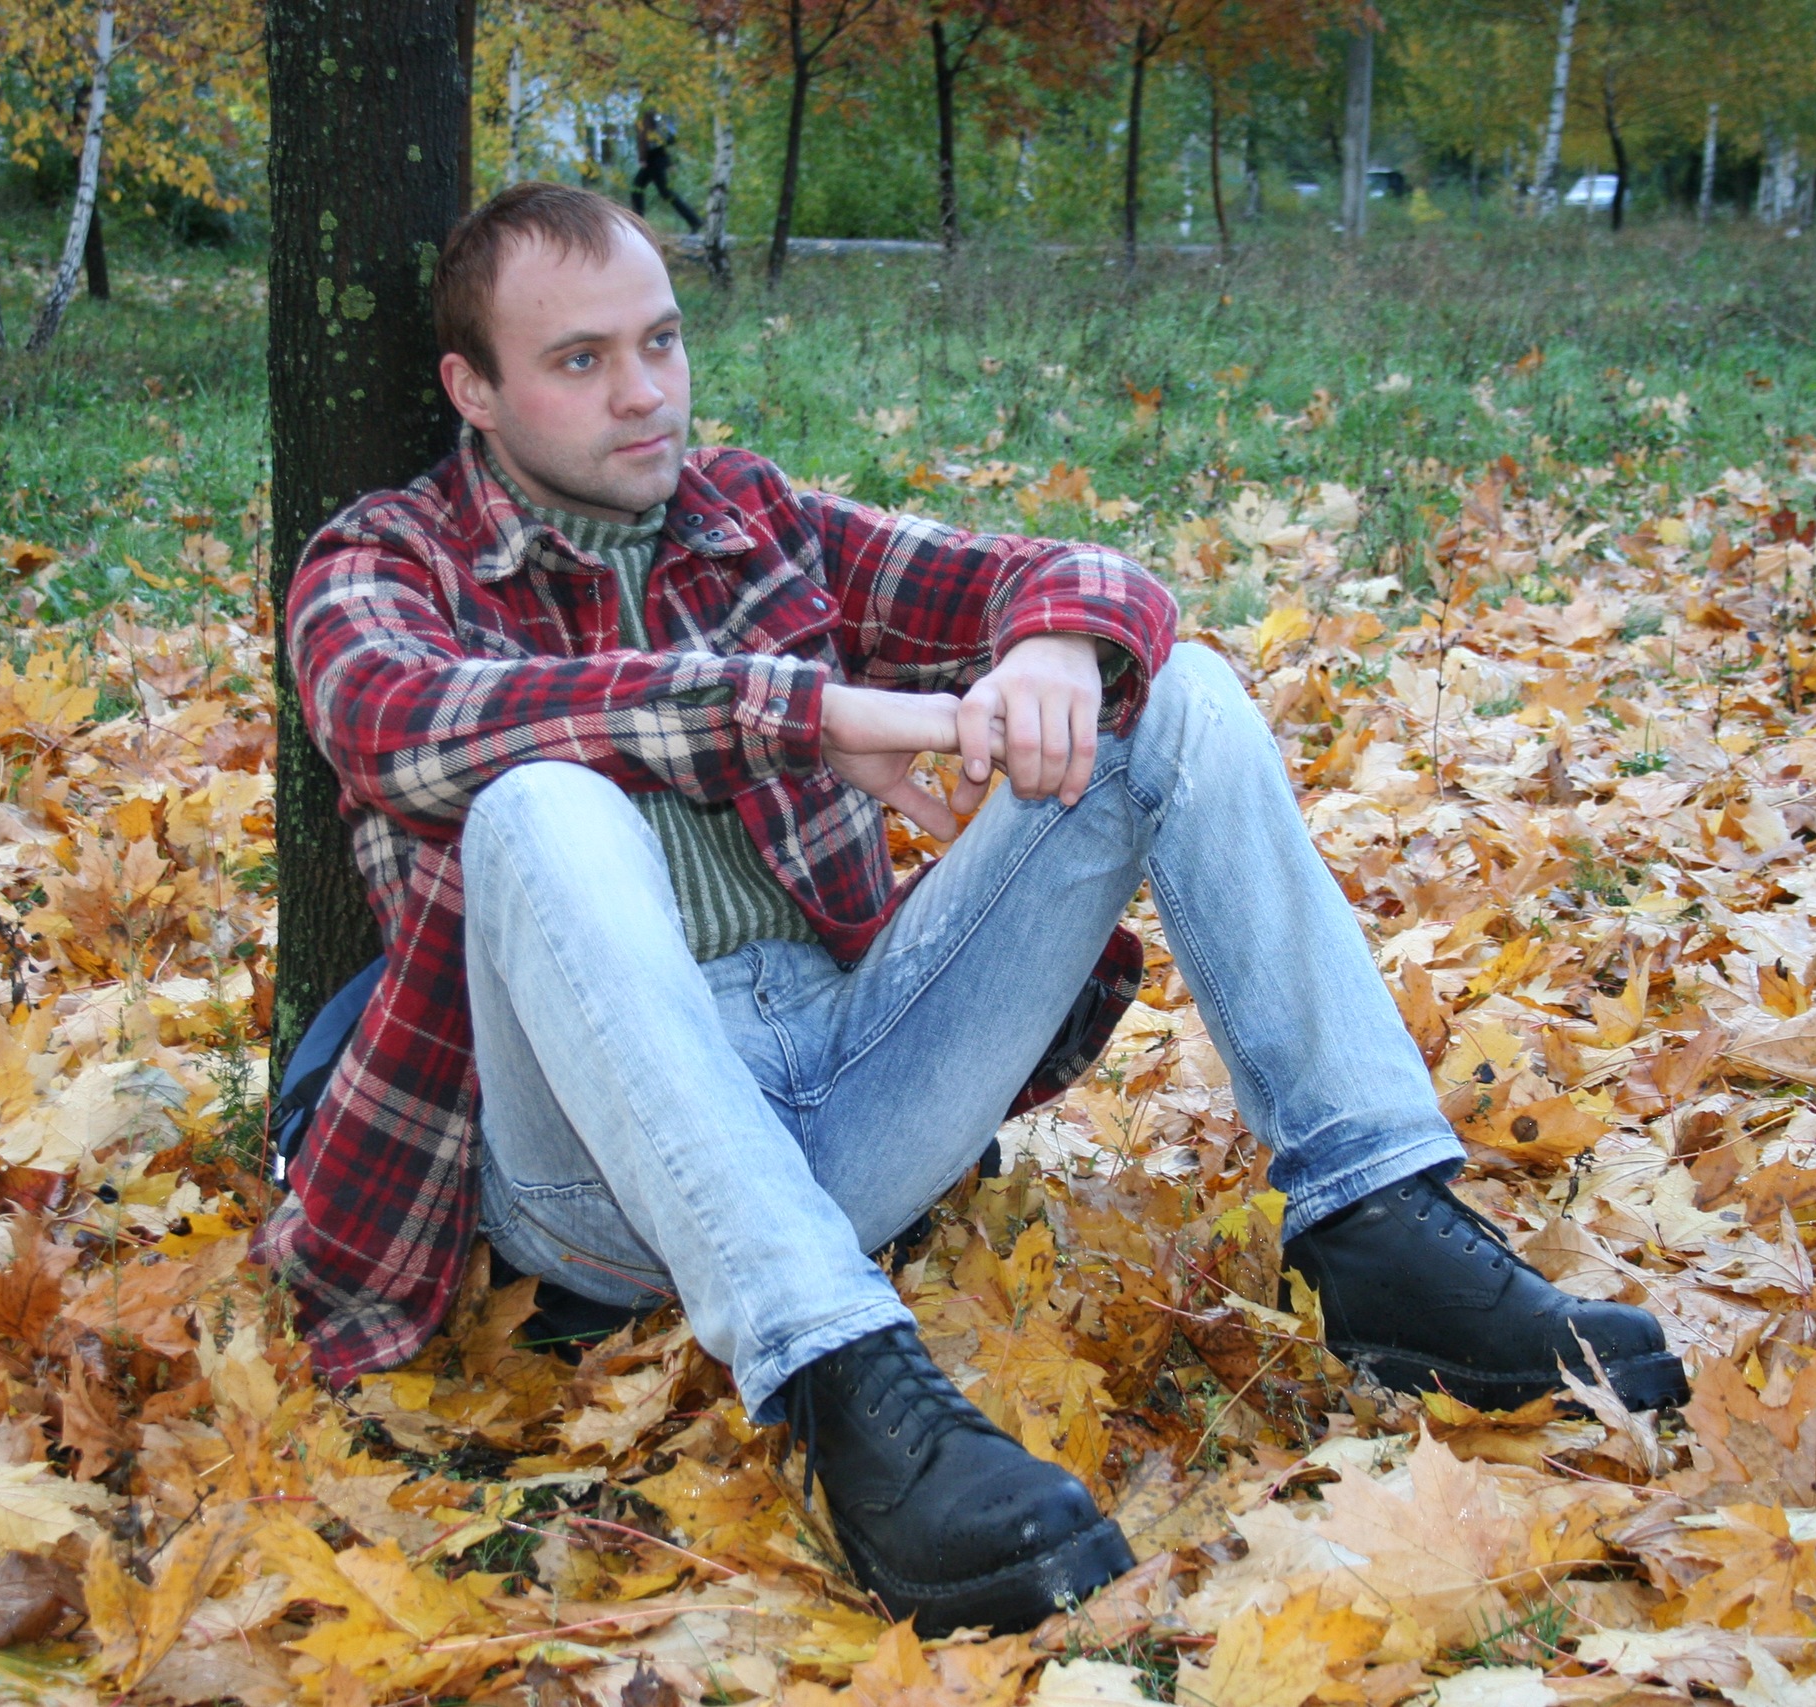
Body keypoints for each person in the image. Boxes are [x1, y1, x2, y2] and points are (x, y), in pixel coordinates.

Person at [259, 182, 1687, 1637]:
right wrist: (799, 712)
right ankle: (845, 1382)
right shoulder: (382, 562)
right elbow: (399, 724)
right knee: (540, 806)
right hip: (599, 1177)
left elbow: (1081, 577)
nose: (644, 393)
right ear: (473, 389)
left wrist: (1057, 639)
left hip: (854, 1084)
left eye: (662, 340)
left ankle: (1379, 1222)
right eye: (580, 359)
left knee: (1168, 692)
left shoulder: (750, 519)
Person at [630, 110, 700, 232]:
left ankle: (694, 221)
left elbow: (653, 140)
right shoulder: (650, 114)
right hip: (653, 159)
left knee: (661, 192)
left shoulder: (652, 115)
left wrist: (644, 158)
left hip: (655, 159)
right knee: (638, 189)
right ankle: (638, 225)